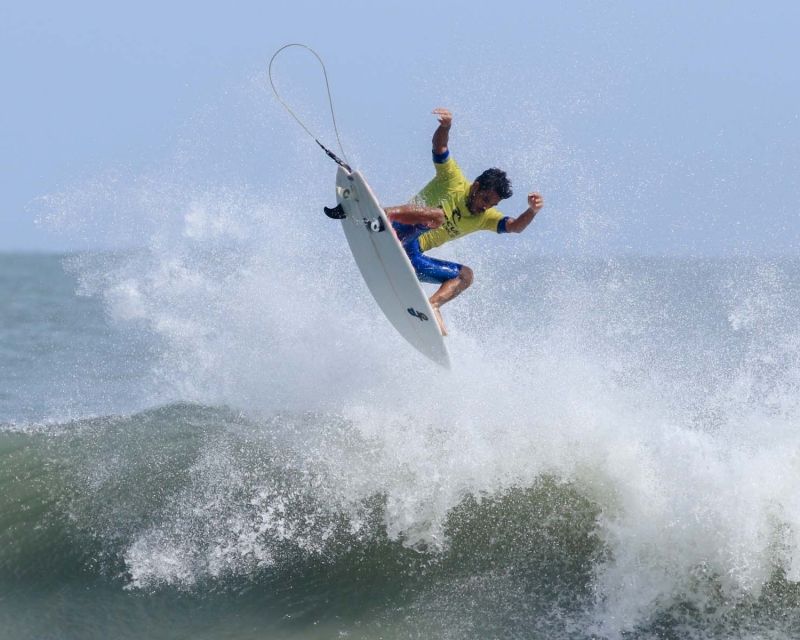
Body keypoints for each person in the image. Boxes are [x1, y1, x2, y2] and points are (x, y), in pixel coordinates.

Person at [384, 108, 545, 336]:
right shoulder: (453, 180)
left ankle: (432, 305)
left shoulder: (484, 218)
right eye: (485, 199)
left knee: (465, 275)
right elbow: (439, 148)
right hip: (396, 229)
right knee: (438, 216)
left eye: (492, 205)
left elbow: (515, 226)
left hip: (411, 254)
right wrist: (445, 127)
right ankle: (382, 213)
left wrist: (532, 211)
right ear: (476, 186)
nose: (485, 207)